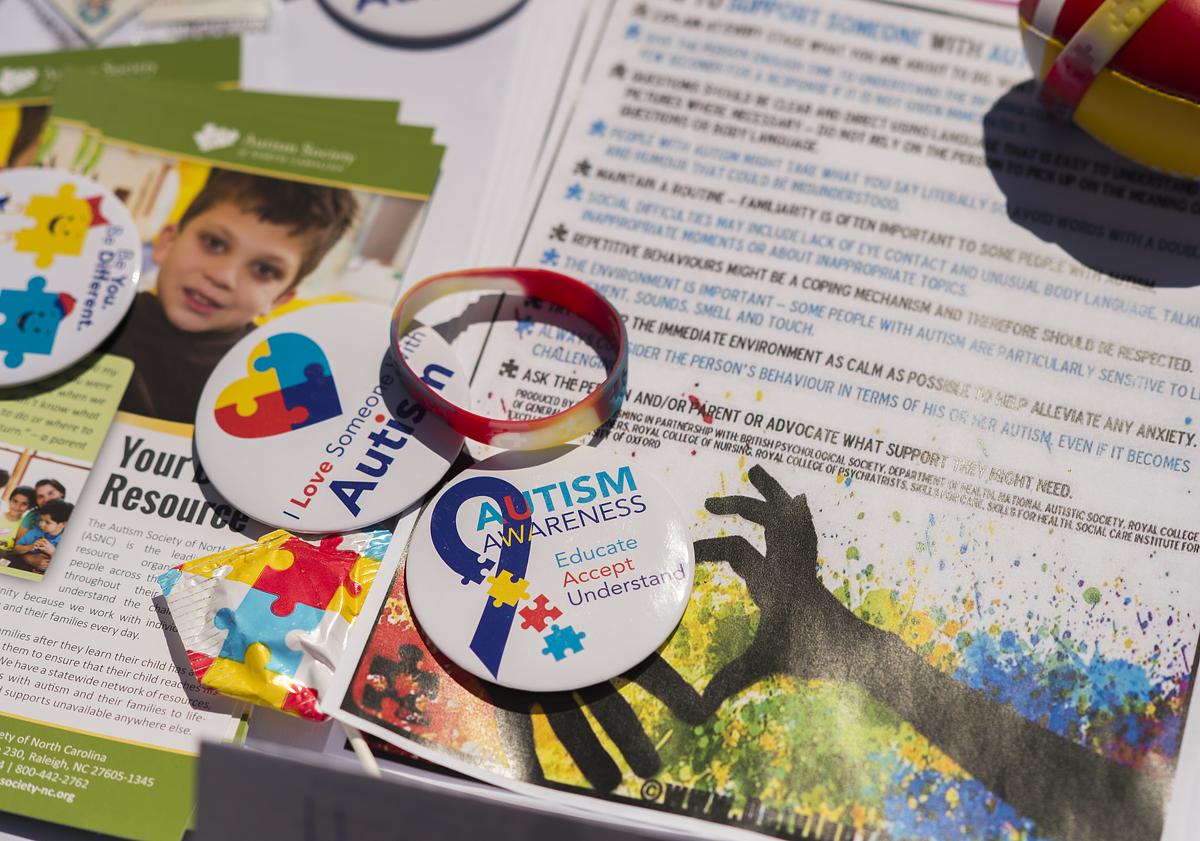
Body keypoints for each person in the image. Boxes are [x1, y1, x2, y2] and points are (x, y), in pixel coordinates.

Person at [106, 168, 358, 424]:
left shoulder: (283, 387)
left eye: (264, 270)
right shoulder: (96, 319)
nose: (223, 276)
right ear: (167, 243)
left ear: (279, 299)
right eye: (214, 243)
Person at [7, 499, 73, 574]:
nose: (41, 524)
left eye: (47, 522)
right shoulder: (36, 532)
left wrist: (52, 552)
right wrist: (29, 547)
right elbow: (15, 549)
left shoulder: (69, 540)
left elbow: (68, 564)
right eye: (41, 520)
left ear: (63, 524)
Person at [0, 486, 33, 551]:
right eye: (15, 501)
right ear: (9, 500)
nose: (17, 507)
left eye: (24, 504)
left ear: (29, 507)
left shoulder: (25, 526)